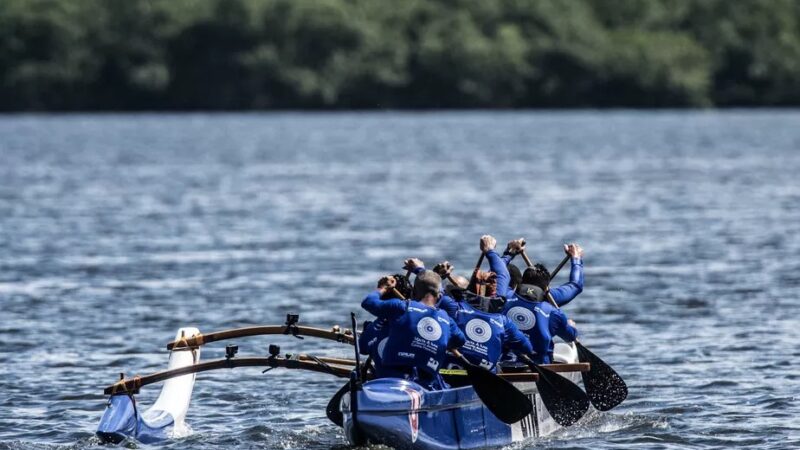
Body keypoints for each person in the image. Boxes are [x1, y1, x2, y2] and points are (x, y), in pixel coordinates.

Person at [435, 235, 533, 373]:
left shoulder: (451, 307)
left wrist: (434, 276)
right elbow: (527, 348)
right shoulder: (503, 321)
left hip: (446, 374)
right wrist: (492, 251)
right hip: (484, 378)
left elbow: (426, 289)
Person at [361, 270, 465, 390]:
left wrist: (382, 288)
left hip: (393, 382)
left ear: (414, 292)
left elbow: (368, 302)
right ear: (440, 296)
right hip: (426, 386)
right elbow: (460, 341)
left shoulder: (402, 307)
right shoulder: (447, 320)